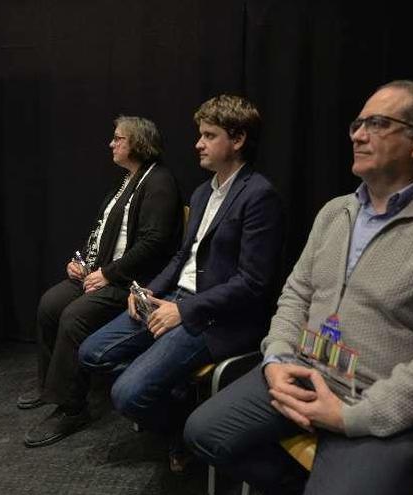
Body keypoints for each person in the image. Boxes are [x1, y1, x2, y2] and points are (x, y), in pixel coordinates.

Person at [184, 80, 413, 494]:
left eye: (378, 123)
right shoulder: (336, 212)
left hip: (386, 405)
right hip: (304, 374)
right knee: (203, 432)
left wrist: (353, 417)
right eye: (357, 123)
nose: (358, 134)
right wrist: (276, 360)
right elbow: (295, 295)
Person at [79, 95, 285, 471]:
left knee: (127, 395)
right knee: (92, 353)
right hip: (173, 299)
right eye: (199, 134)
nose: (198, 144)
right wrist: (147, 291)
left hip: (216, 316)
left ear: (237, 140)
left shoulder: (259, 196)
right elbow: (182, 256)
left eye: (209, 135)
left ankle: (184, 434)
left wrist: (183, 311)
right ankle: (180, 404)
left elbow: (254, 284)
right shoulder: (204, 191)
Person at [19, 116, 183, 448]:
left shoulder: (159, 183)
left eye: (118, 138)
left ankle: (72, 407)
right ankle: (50, 384)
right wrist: (80, 262)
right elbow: (101, 232)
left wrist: (107, 274)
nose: (111, 143)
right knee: (50, 304)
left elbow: (153, 244)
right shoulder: (126, 181)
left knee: (74, 315)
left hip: (131, 282)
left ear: (137, 144)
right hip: (101, 273)